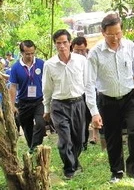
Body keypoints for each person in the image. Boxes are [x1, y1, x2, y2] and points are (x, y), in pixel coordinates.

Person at [85, 12, 134, 184]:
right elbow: (89, 83)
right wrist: (94, 112)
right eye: (111, 34)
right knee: (113, 138)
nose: (115, 37)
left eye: (118, 33)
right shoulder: (95, 53)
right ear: (103, 32)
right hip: (107, 100)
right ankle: (117, 171)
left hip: (130, 97)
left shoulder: (129, 46)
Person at [42, 29, 87, 180]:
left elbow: (88, 83)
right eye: (58, 43)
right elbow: (47, 88)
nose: (62, 46)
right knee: (65, 139)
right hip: (59, 106)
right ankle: (69, 168)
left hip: (78, 103)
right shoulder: (49, 65)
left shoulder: (81, 61)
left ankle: (74, 160)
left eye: (64, 42)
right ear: (55, 45)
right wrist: (47, 109)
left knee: (78, 139)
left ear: (70, 43)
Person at [9, 40, 46, 153]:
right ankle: (33, 150)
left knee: (40, 124)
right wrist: (12, 105)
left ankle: (34, 147)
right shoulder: (15, 68)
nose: (30, 56)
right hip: (23, 102)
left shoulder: (41, 64)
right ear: (22, 53)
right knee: (27, 129)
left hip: (39, 101)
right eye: (27, 54)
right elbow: (13, 87)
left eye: (32, 53)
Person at [71, 36, 104, 150]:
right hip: (76, 94)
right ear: (72, 48)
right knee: (80, 119)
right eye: (77, 50)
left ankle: (87, 141)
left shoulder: (91, 58)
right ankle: (81, 142)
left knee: (89, 117)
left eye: (82, 50)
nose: (80, 53)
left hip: (91, 92)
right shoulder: (69, 60)